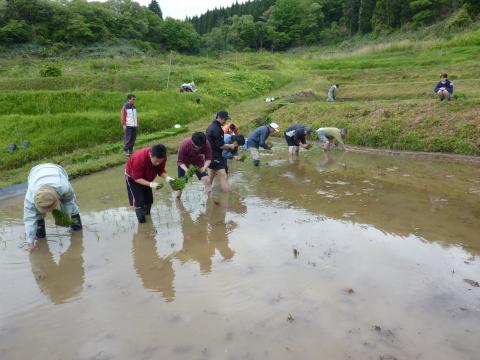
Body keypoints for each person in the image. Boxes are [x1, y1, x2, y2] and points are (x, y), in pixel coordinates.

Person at [24, 164, 83, 252]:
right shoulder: (30, 198)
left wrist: (67, 216)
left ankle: (77, 231)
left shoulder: (64, 187)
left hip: (56, 170)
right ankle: (40, 237)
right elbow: (30, 219)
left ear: (57, 198)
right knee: (37, 217)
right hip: (35, 173)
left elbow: (68, 201)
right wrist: (30, 242)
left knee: (72, 209)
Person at [125, 144, 174, 223]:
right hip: (133, 178)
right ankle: (142, 224)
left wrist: (168, 178)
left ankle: (148, 217)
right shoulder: (139, 158)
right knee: (139, 202)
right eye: (156, 161)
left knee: (149, 200)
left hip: (147, 177)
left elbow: (160, 170)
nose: (158, 163)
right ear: (150, 155)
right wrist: (151, 184)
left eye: (160, 161)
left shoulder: (162, 158)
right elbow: (137, 178)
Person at [206, 110, 237, 193]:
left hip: (209, 155)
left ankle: (207, 196)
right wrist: (230, 146)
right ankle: (226, 198)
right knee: (223, 176)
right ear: (219, 118)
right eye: (225, 119)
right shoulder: (216, 129)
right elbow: (220, 145)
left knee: (210, 178)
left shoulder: (211, 126)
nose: (225, 121)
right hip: (215, 156)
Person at [176, 132, 213, 199]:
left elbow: (209, 158)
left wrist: (204, 167)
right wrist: (187, 170)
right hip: (184, 163)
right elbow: (180, 162)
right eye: (196, 147)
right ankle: (177, 198)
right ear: (192, 142)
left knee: (207, 180)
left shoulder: (206, 144)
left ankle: (211, 200)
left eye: (200, 147)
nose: (198, 149)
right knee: (181, 183)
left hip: (198, 162)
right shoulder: (185, 144)